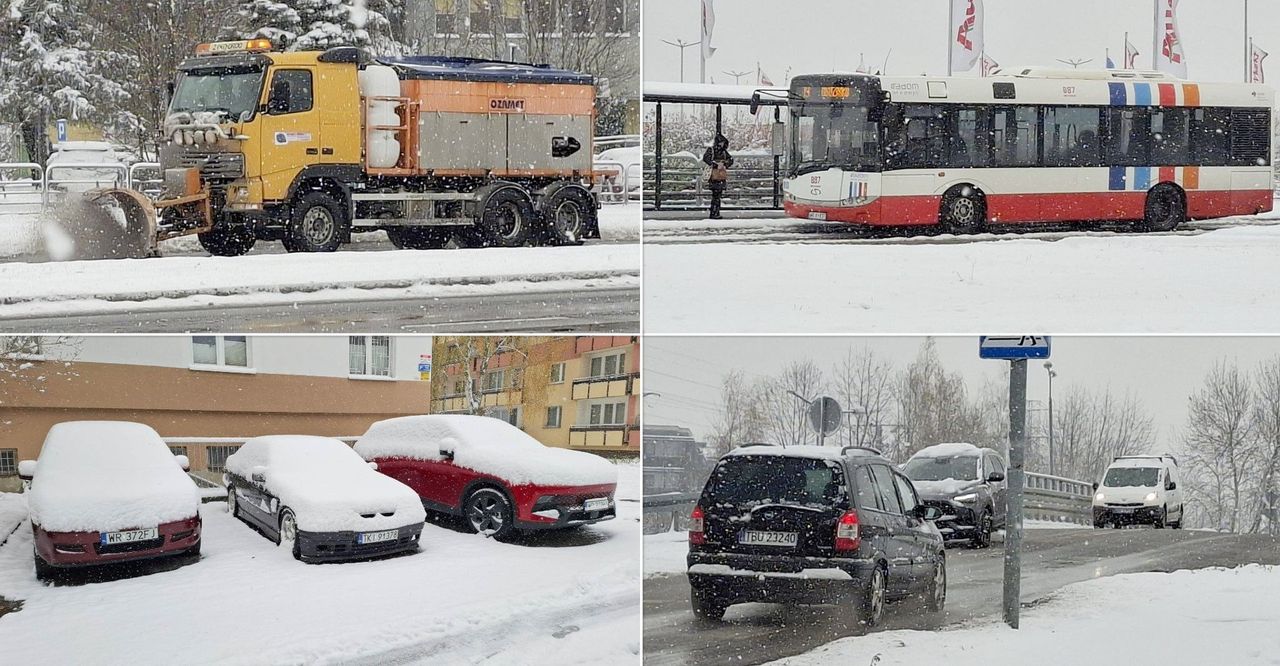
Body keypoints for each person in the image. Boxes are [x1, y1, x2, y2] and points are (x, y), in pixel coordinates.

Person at [702, 133, 734, 220]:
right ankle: (715, 212)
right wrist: (718, 165)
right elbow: (706, 158)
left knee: (717, 196)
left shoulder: (720, 151)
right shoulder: (716, 150)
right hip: (716, 176)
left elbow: (731, 160)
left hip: (717, 175)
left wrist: (723, 164)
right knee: (716, 196)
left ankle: (715, 212)